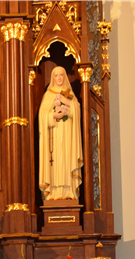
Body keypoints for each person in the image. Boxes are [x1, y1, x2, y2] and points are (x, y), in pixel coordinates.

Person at [38, 66, 83, 202]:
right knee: (55, 161)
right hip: (54, 134)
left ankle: (69, 191)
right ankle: (53, 192)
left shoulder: (69, 93)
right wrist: (54, 115)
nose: (59, 78)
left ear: (65, 77)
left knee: (67, 159)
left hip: (68, 134)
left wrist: (66, 102)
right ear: (52, 78)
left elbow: (77, 110)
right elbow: (42, 115)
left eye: (61, 75)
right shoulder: (48, 94)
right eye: (56, 75)